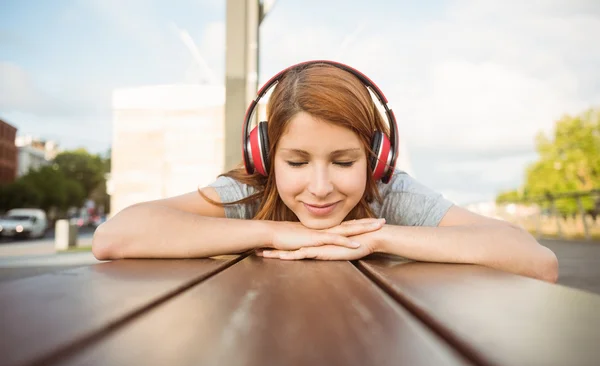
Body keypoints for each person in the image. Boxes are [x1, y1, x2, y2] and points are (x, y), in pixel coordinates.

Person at [92, 60, 558, 283]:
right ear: (265, 157)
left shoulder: (390, 196)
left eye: (344, 161)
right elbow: (112, 237)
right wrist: (274, 234)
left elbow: (538, 261)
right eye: (296, 162)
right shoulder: (252, 192)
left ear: (375, 159)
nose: (320, 187)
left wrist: (378, 237)